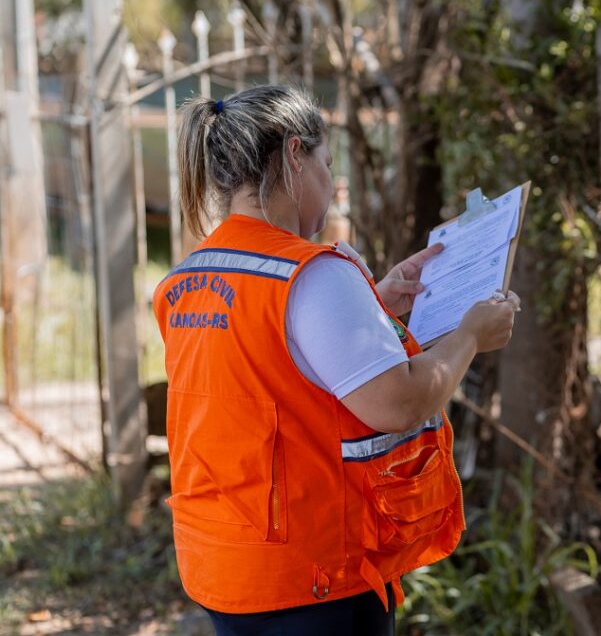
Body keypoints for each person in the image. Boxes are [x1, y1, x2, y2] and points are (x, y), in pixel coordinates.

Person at [153, 85, 519, 635]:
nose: (332, 182)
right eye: (327, 163)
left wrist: (376, 301)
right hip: (311, 581)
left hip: (222, 565)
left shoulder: (187, 278)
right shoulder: (312, 274)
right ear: (296, 156)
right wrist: (470, 334)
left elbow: (278, 371)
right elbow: (398, 404)